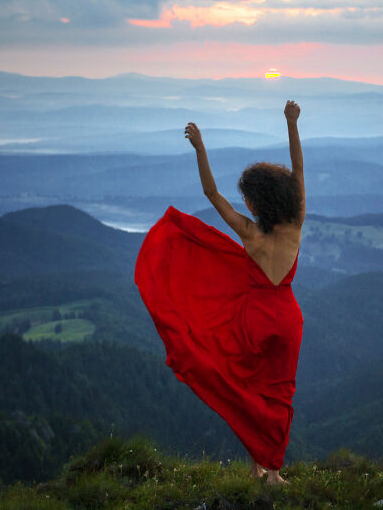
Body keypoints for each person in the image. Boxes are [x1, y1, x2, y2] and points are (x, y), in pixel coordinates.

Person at [134, 100, 305, 486]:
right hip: (288, 319)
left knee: (245, 387)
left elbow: (212, 193)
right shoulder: (296, 223)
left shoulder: (251, 233)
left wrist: (200, 148)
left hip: (254, 319)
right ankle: (272, 472)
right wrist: (291, 123)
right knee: (279, 394)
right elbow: (298, 170)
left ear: (258, 202)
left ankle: (256, 466)